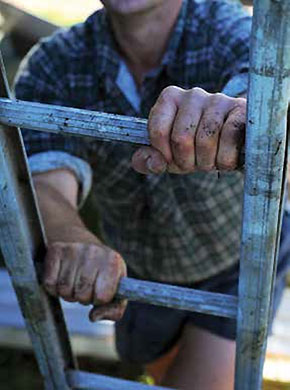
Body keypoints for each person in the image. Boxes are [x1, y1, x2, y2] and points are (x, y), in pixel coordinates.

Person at [13, 1, 289, 389]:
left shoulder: (230, 29)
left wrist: (238, 116)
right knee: (160, 371)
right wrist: (73, 236)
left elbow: (267, 86)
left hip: (237, 262)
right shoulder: (54, 64)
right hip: (136, 267)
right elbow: (41, 181)